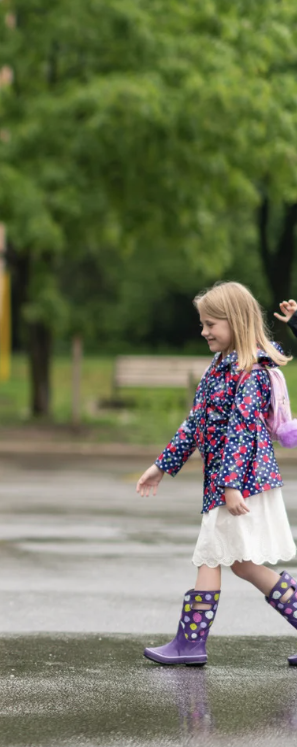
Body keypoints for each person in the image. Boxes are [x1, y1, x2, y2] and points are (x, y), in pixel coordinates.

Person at [136, 281, 297, 666]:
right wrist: (162, 465)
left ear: (236, 322)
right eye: (203, 324)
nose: (205, 331)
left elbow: (242, 431)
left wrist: (230, 487)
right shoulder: (218, 369)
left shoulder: (251, 372)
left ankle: (190, 644)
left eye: (212, 323)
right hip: (230, 483)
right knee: (241, 563)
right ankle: (190, 644)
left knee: (211, 555)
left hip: (239, 483)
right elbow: (196, 423)